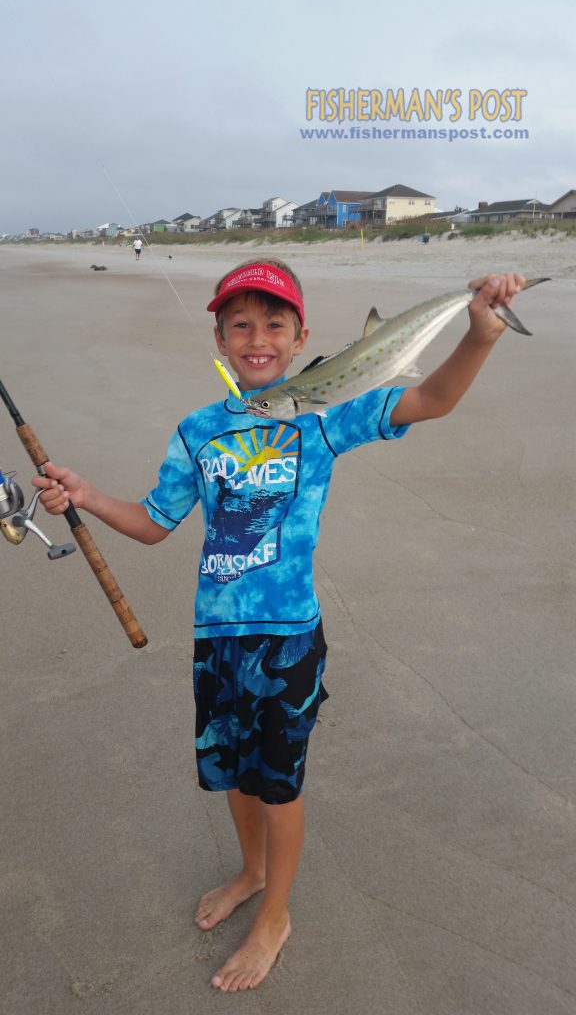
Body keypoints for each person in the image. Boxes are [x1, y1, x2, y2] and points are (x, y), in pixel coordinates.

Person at [33, 258, 525, 993]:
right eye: (241, 324)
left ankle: (277, 914)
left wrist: (480, 336)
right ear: (221, 337)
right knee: (233, 773)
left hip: (289, 637)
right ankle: (252, 871)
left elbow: (431, 398)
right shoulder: (198, 431)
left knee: (280, 786)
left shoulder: (324, 420)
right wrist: (88, 495)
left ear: (300, 340)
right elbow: (155, 523)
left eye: (274, 324)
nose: (256, 337)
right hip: (216, 640)